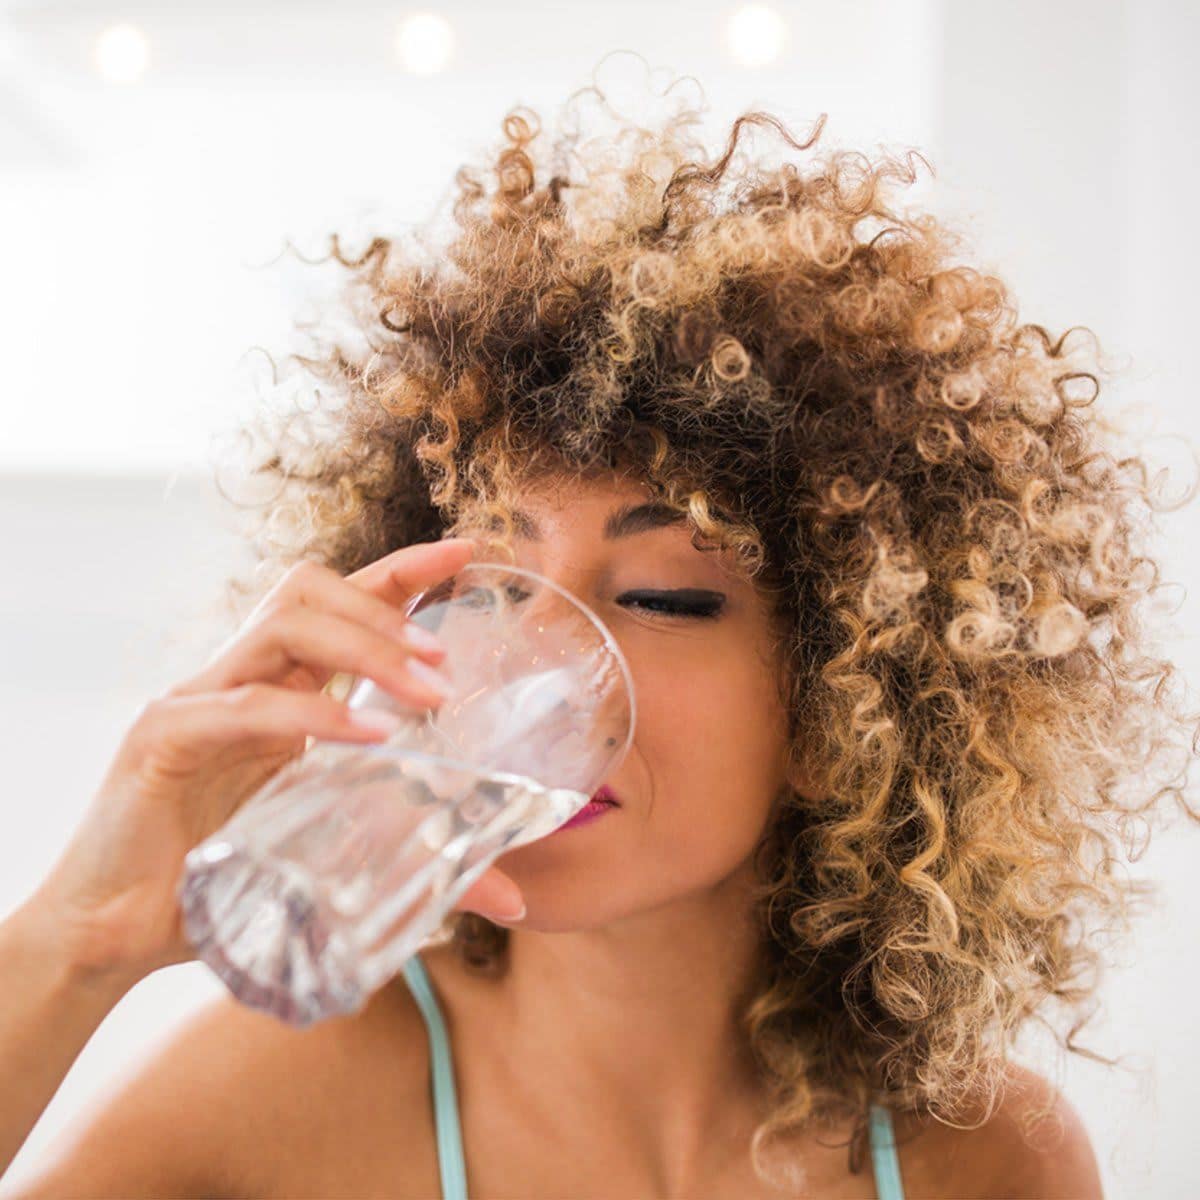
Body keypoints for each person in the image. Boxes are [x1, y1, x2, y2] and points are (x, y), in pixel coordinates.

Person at [4, 75, 1188, 1198]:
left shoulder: (981, 1159)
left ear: (845, 714)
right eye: (493, 585)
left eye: (663, 598)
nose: (538, 665)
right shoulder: (285, 1099)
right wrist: (78, 941)